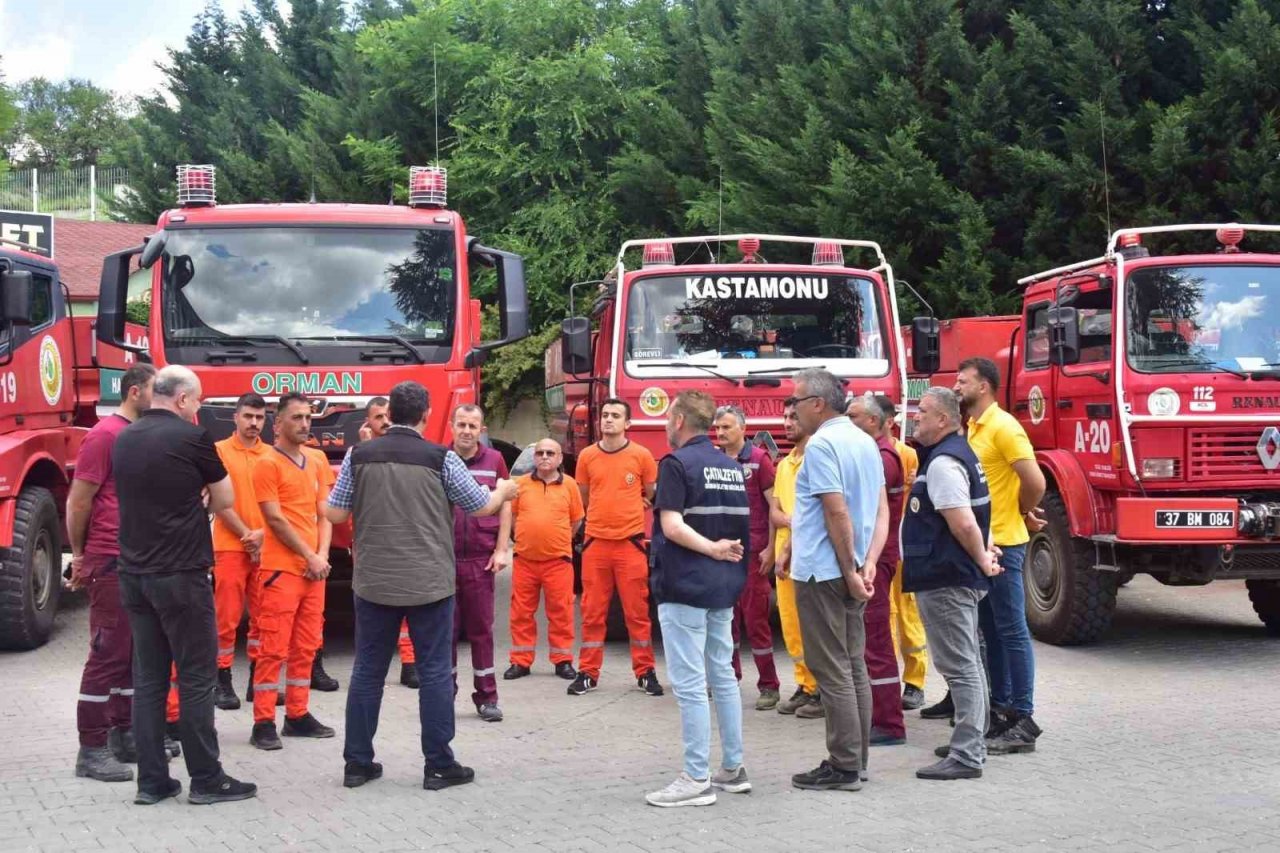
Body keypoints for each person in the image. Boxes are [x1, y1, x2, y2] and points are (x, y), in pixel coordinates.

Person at [323, 381, 518, 790]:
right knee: (434, 673)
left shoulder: (359, 455)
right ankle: (439, 765)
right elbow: (479, 506)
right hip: (429, 584)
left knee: (367, 671)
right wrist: (503, 490)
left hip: (374, 582)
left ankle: (357, 763)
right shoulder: (441, 459)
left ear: (390, 413)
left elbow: (336, 514)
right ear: (427, 416)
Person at [113, 365, 257, 805]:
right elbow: (226, 498)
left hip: (134, 574)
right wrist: (200, 495)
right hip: (180, 574)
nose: (198, 408)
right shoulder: (192, 438)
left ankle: (152, 781)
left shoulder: (125, 437)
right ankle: (207, 779)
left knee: (149, 679)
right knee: (196, 677)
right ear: (181, 399)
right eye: (197, 400)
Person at [780, 368, 888, 792]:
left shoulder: (823, 445)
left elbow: (835, 510)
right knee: (853, 665)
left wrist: (848, 568)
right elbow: (879, 510)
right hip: (851, 567)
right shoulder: (865, 441)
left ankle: (843, 765)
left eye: (796, 402)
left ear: (818, 403)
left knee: (832, 669)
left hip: (823, 571)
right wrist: (866, 563)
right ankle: (856, 760)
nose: (792, 410)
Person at [645, 391, 750, 808]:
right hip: (724, 585)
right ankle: (733, 768)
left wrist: (711, 549)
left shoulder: (675, 464)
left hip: (685, 583)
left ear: (679, 420)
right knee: (722, 675)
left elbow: (671, 526)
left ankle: (695, 778)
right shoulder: (732, 466)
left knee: (689, 684)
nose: (666, 424)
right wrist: (722, 554)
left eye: (669, 416)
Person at [905, 387, 1002, 781]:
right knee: (969, 663)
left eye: (923, 411)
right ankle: (972, 740)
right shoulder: (959, 454)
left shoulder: (944, 462)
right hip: (954, 574)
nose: (915, 416)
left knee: (960, 666)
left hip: (946, 577)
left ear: (943, 419)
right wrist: (985, 551)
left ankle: (967, 754)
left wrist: (981, 557)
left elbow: (962, 522)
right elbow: (978, 514)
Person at [67, 363, 156, 783]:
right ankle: (92, 748)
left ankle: (124, 734)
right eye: (155, 390)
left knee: (131, 652)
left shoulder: (136, 435)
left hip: (135, 558)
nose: (161, 397)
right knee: (107, 654)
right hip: (109, 558)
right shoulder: (104, 436)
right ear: (135, 392)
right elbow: (79, 500)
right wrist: (80, 555)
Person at [953, 357, 1046, 753]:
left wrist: (1022, 510)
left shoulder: (1004, 427)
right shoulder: (974, 426)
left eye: (963, 381)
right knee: (991, 632)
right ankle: (1001, 710)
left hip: (1005, 543)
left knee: (1012, 630)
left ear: (984, 387)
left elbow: (1035, 481)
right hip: (985, 545)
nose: (957, 386)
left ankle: (1023, 718)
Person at [249, 392, 336, 750]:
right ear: (278, 423)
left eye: (308, 418)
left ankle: (297, 715)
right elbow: (274, 519)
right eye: (297, 417)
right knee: (273, 649)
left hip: (314, 572)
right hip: (280, 571)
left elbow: (324, 514)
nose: (304, 424)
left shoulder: (316, 460)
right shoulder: (266, 463)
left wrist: (322, 555)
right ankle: (263, 721)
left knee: (306, 647)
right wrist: (309, 556)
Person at [570, 399, 663, 697]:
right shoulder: (587, 456)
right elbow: (585, 496)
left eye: (615, 416)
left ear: (628, 423)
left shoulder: (642, 455)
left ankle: (645, 672)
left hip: (630, 544)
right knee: (592, 612)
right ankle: (587, 672)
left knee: (637, 613)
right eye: (605, 415)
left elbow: (651, 492)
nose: (608, 420)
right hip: (596, 543)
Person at [846, 395, 907, 746]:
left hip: (876, 559)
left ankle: (889, 722)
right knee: (867, 638)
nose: (847, 422)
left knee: (876, 639)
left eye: (853, 416)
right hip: (874, 556)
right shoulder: (877, 453)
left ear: (873, 421)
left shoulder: (882, 458)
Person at [713, 405, 780, 711]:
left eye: (726, 427)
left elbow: (774, 508)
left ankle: (769, 686)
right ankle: (729, 680)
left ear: (743, 428)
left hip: (753, 554)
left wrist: (771, 548)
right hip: (722, 553)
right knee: (725, 622)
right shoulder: (714, 461)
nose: (720, 432)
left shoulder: (759, 460)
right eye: (717, 428)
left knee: (757, 623)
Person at [448, 404, 512, 722]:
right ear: (451, 426)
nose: (466, 431)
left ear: (481, 430)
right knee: (445, 633)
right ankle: (443, 696)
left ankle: (487, 698)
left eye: (472, 426)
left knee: (481, 632)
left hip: (479, 561)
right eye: (461, 424)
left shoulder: (494, 460)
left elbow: (505, 505)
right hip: (445, 561)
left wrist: (501, 550)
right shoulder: (440, 459)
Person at [210, 393, 270, 710]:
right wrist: (248, 535)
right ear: (235, 417)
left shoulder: (271, 455)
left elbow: (280, 504)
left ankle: (257, 682)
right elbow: (216, 501)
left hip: (266, 549)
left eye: (259, 417)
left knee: (263, 618)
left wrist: (262, 535)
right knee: (227, 618)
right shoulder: (219, 451)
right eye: (248, 416)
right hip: (230, 547)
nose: (253, 423)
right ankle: (221, 681)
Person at [505, 439, 582, 686]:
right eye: (540, 453)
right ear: (534, 457)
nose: (545, 457)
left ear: (560, 458)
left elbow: (576, 521)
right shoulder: (520, 485)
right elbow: (512, 516)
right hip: (525, 561)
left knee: (561, 613)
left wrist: (557, 539)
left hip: (558, 562)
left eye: (550, 453)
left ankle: (562, 660)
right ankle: (520, 661)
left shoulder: (570, 485)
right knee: (521, 613)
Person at [873, 395, 929, 711]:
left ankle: (915, 681)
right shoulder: (871, 454)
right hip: (881, 548)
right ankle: (888, 678)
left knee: (907, 612)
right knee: (885, 613)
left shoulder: (907, 455)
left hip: (902, 546)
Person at [770, 397, 821, 717]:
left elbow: (815, 512)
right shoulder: (784, 464)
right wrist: (789, 522)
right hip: (785, 558)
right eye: (785, 417)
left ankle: (821, 689)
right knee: (791, 624)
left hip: (809, 555)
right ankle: (805, 684)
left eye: (793, 417)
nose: (787, 423)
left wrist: (793, 524)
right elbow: (774, 512)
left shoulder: (817, 458)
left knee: (813, 625)